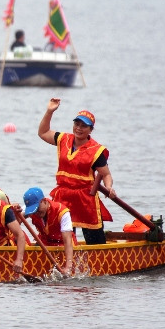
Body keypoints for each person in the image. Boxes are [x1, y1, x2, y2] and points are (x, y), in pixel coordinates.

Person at [38, 98, 115, 245]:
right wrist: (49, 111)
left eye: (84, 126)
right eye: (76, 124)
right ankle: (63, 260)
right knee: (60, 237)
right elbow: (43, 132)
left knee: (94, 239)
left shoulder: (96, 151)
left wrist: (109, 187)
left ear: (91, 130)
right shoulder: (63, 139)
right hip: (63, 195)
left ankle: (100, 260)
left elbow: (106, 174)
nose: (79, 128)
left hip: (85, 198)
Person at [22, 186, 74, 274]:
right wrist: (15, 212)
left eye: (37, 209)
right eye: (33, 211)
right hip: (44, 243)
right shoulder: (30, 208)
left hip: (62, 245)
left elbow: (67, 241)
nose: (36, 213)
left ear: (44, 201)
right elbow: (14, 220)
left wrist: (68, 266)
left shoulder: (62, 212)